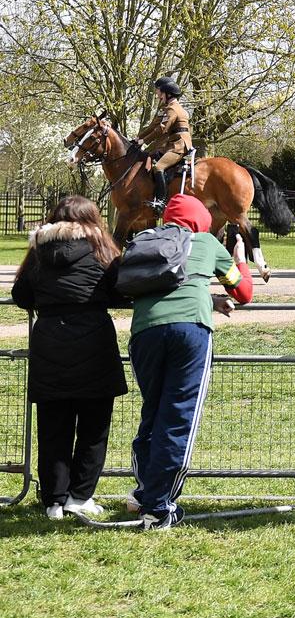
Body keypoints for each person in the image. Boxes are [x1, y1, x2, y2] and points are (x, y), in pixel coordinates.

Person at [128, 193, 253, 530]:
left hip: (144, 334)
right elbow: (243, 291)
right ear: (201, 220)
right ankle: (159, 506)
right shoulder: (206, 242)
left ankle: (144, 492)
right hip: (190, 333)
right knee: (179, 416)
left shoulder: (147, 240)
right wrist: (240, 258)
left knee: (153, 413)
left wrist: (206, 296)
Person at [11, 196, 128, 520]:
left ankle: (53, 501)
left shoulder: (38, 252)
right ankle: (80, 495)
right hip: (95, 345)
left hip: (49, 344)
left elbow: (21, 295)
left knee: (52, 429)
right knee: (93, 429)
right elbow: (122, 290)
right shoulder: (103, 251)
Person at [135, 76, 192, 211]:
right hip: (171, 144)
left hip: (178, 145)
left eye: (159, 92)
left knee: (158, 167)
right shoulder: (167, 108)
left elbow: (162, 128)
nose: (158, 95)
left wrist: (144, 141)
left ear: (167, 93)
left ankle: (161, 201)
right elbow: (153, 126)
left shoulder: (173, 109)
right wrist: (137, 138)